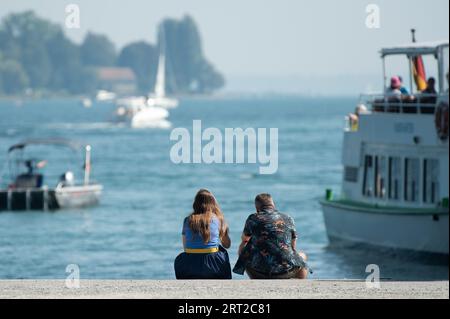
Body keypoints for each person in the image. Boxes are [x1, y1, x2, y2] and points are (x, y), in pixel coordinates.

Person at [233, 193, 310, 279]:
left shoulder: (253, 218)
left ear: (257, 208)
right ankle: (300, 283)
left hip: (259, 273)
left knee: (243, 247)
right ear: (273, 205)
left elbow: (245, 239)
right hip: (286, 271)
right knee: (302, 256)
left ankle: (256, 279)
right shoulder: (288, 218)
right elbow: (293, 244)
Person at [174, 189, 232, 279]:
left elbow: (186, 247)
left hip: (189, 266)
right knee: (222, 251)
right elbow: (227, 245)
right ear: (213, 204)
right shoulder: (218, 219)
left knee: (180, 258)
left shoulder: (187, 220)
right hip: (214, 266)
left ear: (195, 204)